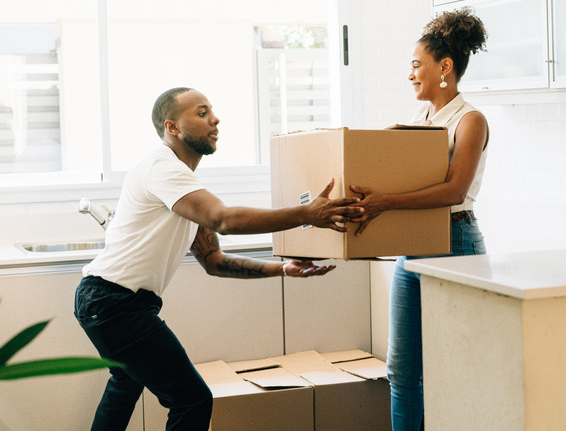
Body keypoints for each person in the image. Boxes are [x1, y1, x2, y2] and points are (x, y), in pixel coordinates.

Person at [73, 87, 363, 431]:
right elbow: (224, 219)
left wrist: (282, 268)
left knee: (126, 384)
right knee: (191, 399)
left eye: (211, 110)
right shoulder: (163, 168)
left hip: (109, 302)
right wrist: (306, 214)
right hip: (115, 303)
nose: (215, 118)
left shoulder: (179, 183)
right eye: (201, 112)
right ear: (172, 127)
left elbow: (214, 261)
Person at [349, 8, 489, 431]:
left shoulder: (470, 120)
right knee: (402, 370)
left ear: (444, 67)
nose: (410, 74)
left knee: (455, 368)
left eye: (416, 65)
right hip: (414, 249)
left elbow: (454, 191)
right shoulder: (418, 122)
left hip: (455, 243)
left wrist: (384, 202)